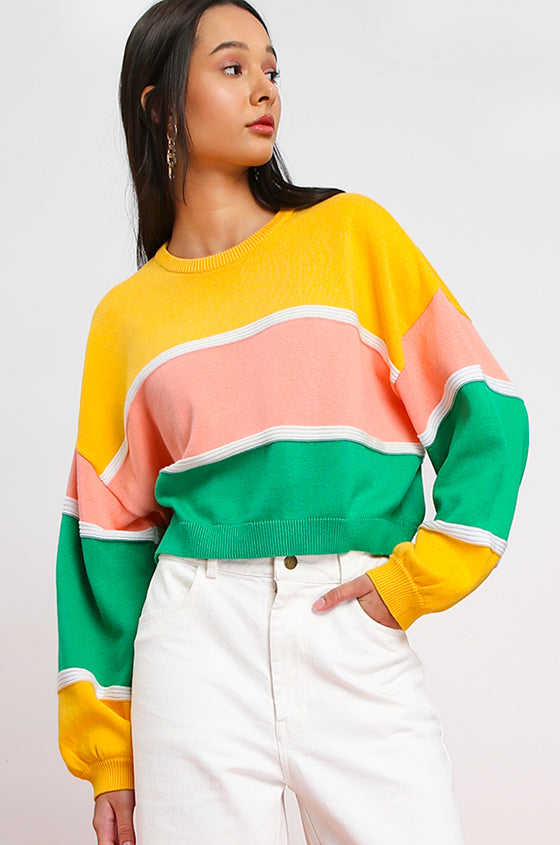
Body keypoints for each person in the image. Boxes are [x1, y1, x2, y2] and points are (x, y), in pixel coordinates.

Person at [55, 1, 529, 843]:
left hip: (345, 623)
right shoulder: (126, 316)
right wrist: (109, 756)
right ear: (159, 105)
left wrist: (415, 578)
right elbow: (106, 536)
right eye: (232, 67)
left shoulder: (350, 236)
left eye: (271, 69)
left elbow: (485, 412)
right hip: (193, 649)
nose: (264, 88)